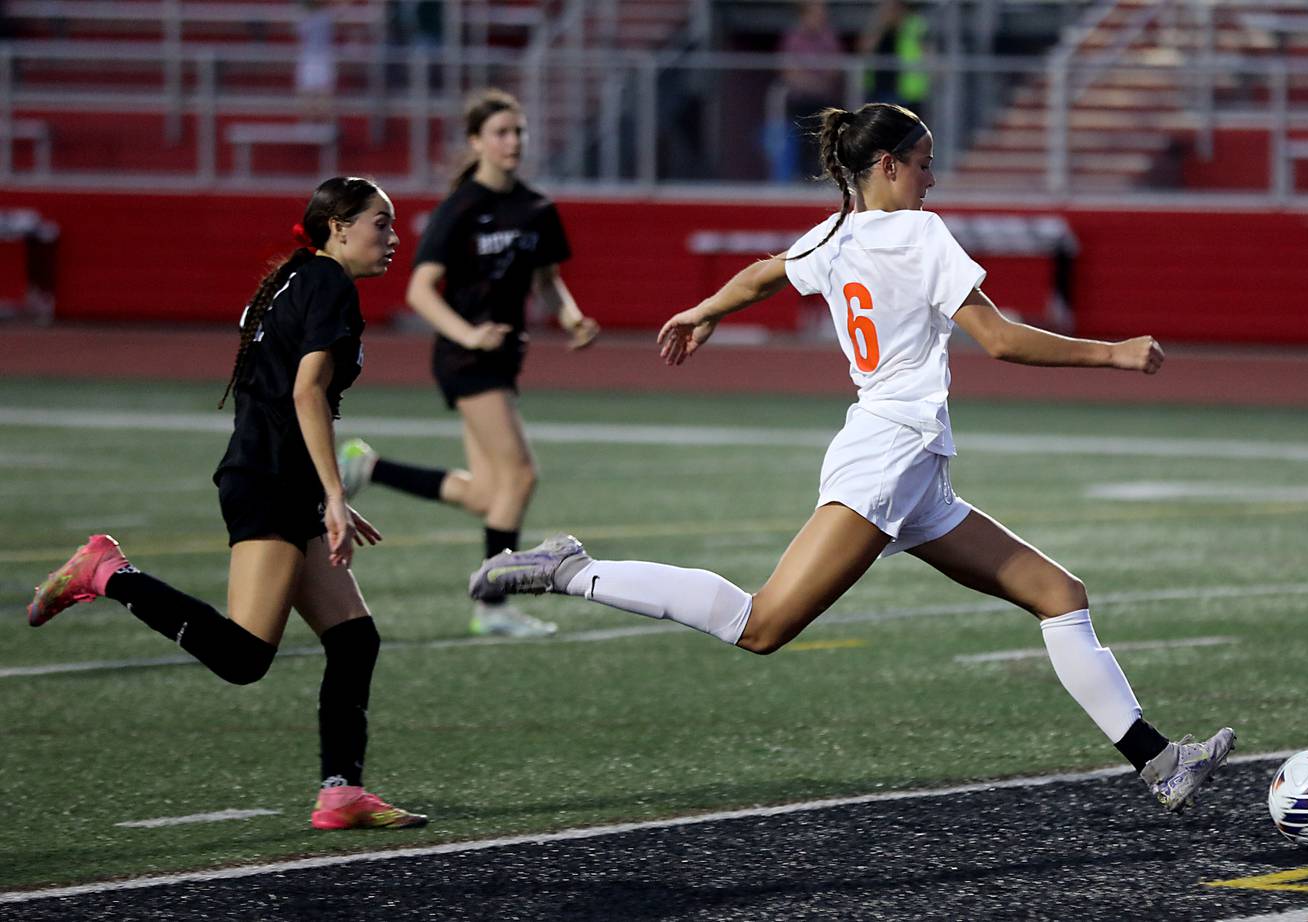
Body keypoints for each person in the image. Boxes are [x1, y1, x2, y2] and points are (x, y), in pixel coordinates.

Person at [472, 103, 1236, 813]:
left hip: (910, 463)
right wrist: (1114, 353)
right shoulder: (920, 232)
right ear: (890, 166)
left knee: (1059, 594)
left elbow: (765, 271)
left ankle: (1161, 763)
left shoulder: (836, 234)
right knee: (761, 624)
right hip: (888, 455)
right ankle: (571, 569)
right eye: (926, 161)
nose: (934, 177)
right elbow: (1000, 339)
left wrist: (705, 310)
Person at [27, 177, 426, 831]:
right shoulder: (329, 284)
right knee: (244, 657)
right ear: (338, 228)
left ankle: (340, 792)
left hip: (276, 476)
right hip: (270, 482)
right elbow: (306, 395)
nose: (393, 237)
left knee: (354, 639)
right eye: (381, 223)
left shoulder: (297, 278)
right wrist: (331, 493)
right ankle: (105, 572)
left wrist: (321, 492)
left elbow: (280, 399)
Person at [338, 89, 599, 638]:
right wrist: (470, 334)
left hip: (504, 359)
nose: (512, 142)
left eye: (519, 132)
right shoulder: (459, 208)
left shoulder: (536, 207)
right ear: (476, 140)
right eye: (501, 132)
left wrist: (572, 317)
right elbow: (419, 290)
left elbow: (547, 281)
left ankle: (370, 467)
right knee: (521, 476)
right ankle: (494, 602)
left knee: (488, 493)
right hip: (464, 358)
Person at [777, 0, 846, 182]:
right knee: (800, 140)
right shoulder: (794, 38)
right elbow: (789, 73)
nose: (820, 17)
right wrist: (815, 82)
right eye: (816, 13)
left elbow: (834, 71)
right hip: (799, 101)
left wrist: (814, 82)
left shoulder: (829, 38)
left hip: (824, 102)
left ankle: (821, 178)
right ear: (805, 16)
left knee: (824, 142)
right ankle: (798, 177)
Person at [859, 0, 931, 121]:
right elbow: (864, 50)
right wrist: (881, 25)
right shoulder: (877, 25)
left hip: (909, 94)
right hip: (879, 91)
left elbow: (928, 54)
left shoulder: (915, 24)